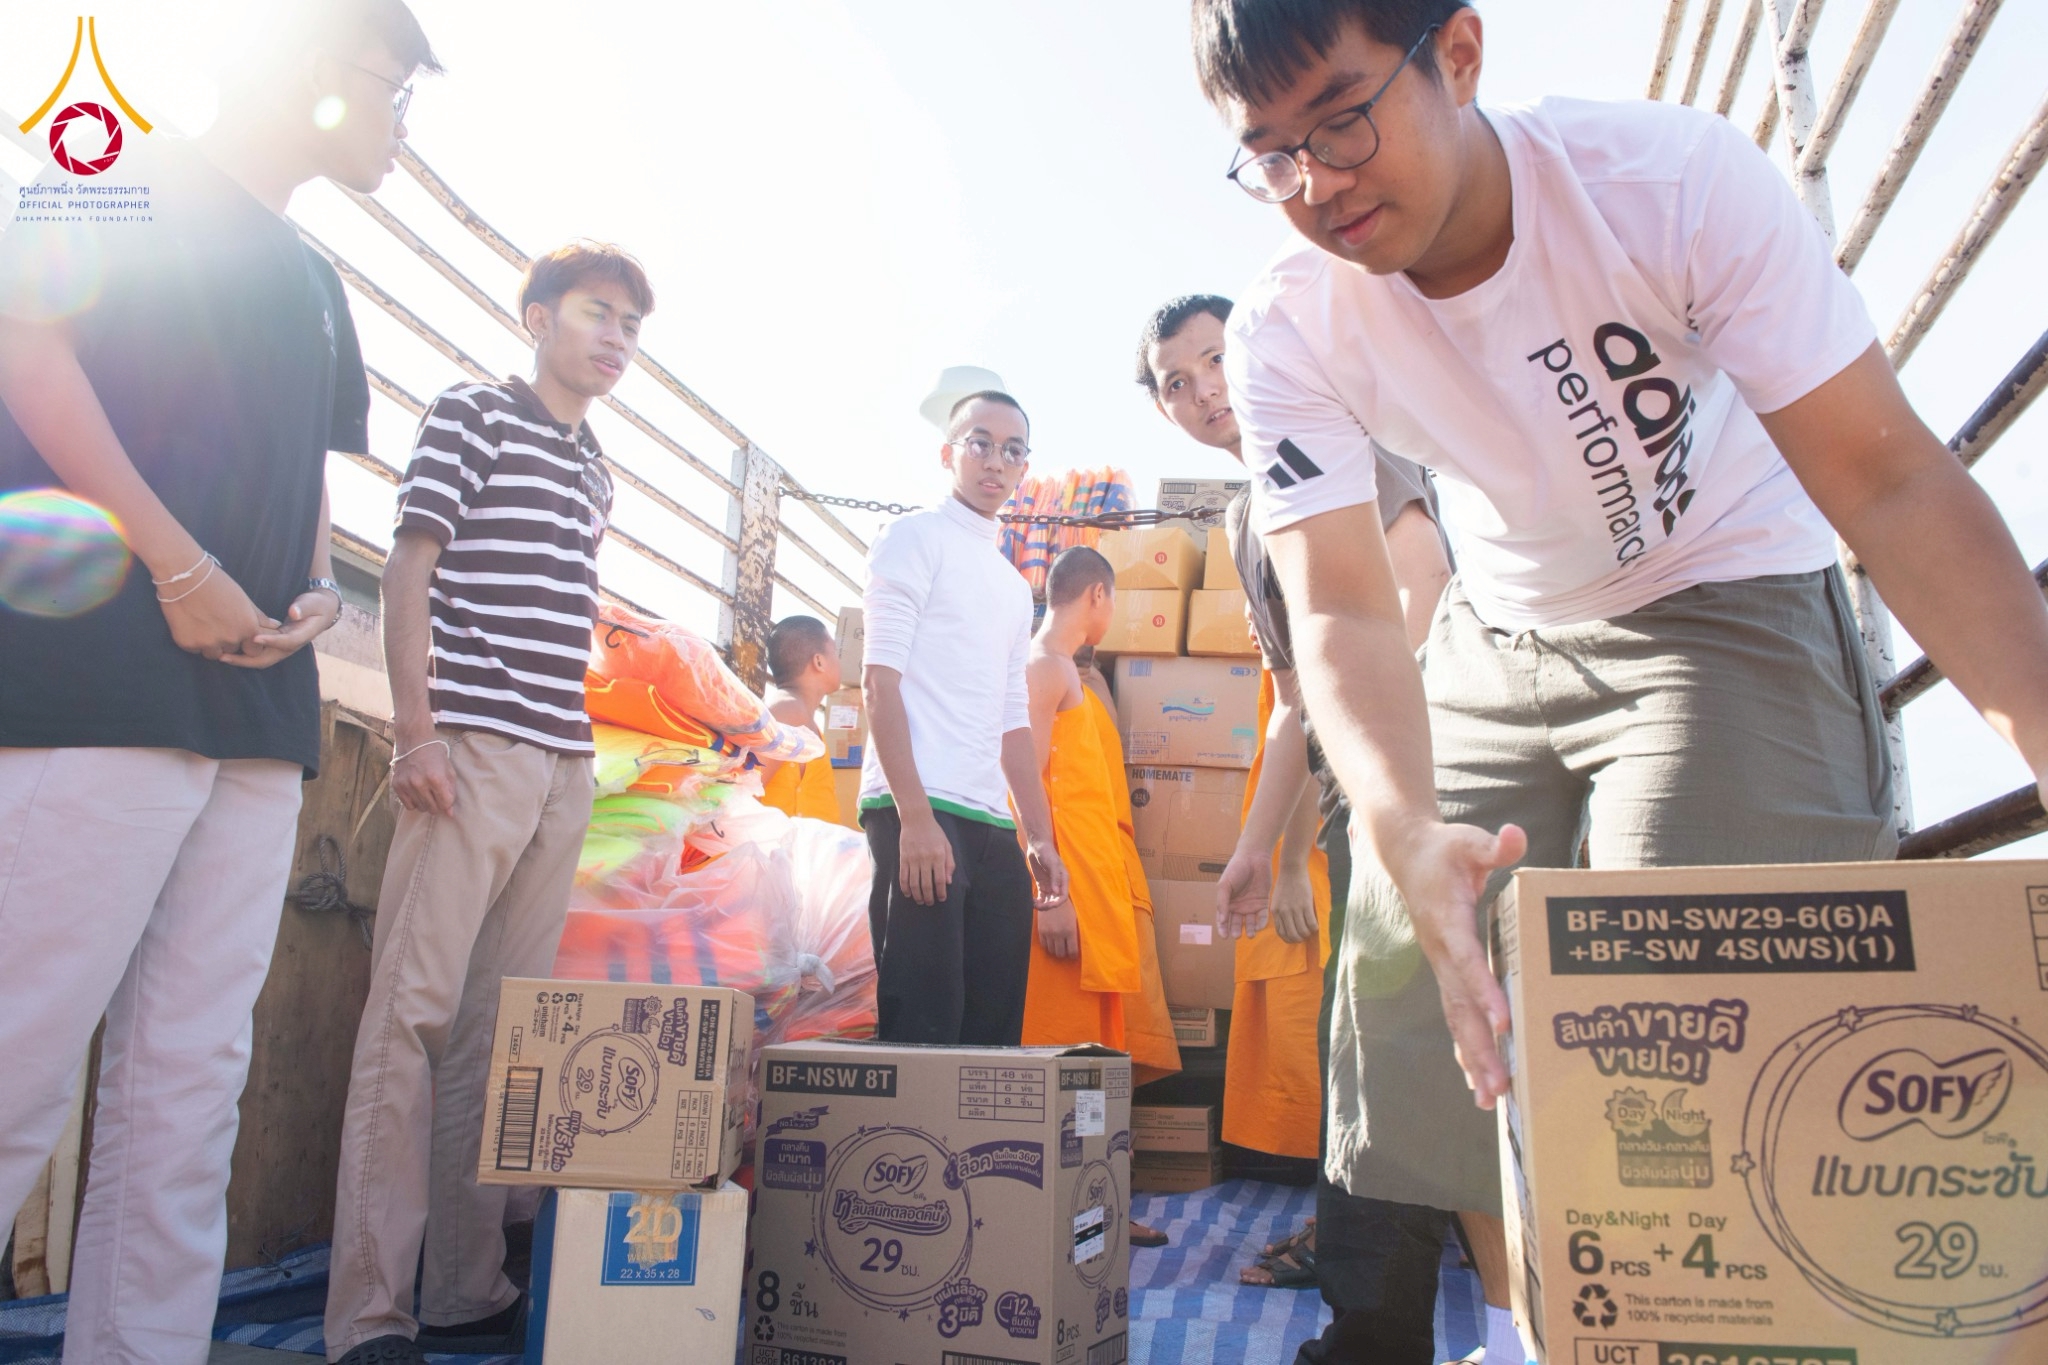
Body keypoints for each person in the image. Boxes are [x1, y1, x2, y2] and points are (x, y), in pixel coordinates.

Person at [1191, 2, 2048, 1359]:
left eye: (1345, 116)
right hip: (1500, 625)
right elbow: (1346, 606)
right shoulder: (1287, 324)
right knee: (1414, 974)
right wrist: (1403, 825)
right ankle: (1537, 1327)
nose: (1319, 184)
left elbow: (1887, 480)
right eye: (1272, 152)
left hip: (1725, 595)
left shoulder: (1667, 187)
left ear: (1458, 56)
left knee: (1694, 1005)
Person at [0, 5, 436, 1360]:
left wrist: (306, 593)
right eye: (391, 86)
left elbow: (305, 470)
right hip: (97, 672)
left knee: (188, 1093)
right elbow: (25, 345)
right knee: (19, 1048)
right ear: (312, 70)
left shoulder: (317, 279)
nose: (399, 122)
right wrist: (176, 562)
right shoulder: (104, 163)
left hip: (255, 709)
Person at [1142, 292, 1499, 1359]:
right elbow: (1302, 699)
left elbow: (1420, 580)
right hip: (1360, 794)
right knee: (1378, 1049)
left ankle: (1439, 1324)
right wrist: (1259, 844)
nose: (1203, 388)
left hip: (1434, 770)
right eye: (1175, 381)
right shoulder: (1247, 516)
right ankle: (1387, 1321)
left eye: (1213, 359)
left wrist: (1405, 779)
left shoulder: (1334, 431)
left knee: (1422, 1046)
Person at [322, 241, 651, 1365]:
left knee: (495, 1035)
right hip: (468, 743)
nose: (614, 340)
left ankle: (463, 1286)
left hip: (563, 764)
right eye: (597, 314)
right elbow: (410, 569)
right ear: (538, 315)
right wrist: (415, 733)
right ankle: (368, 1312)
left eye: (630, 327)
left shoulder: (595, 468)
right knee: (408, 1016)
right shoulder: (472, 413)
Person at [859, 390, 1067, 1044]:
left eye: (1012, 450)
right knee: (924, 1023)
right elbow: (877, 681)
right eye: (980, 443)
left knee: (993, 1031)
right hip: (918, 811)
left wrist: (1039, 837)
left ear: (1024, 469)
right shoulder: (912, 538)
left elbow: (1013, 723)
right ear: (948, 453)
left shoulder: (1011, 588)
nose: (995, 462)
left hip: (989, 823)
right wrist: (915, 818)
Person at [1021, 548, 1181, 1248]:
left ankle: (1099, 1207)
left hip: (1093, 897)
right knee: (1066, 1067)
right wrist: (1047, 892)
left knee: (1096, 1071)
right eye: (1112, 604)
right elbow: (1022, 779)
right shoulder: (1042, 667)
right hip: (1064, 904)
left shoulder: (1067, 671)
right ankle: (1056, 1217)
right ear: (1095, 596)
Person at [757, 614, 852, 826]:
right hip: (776, 854)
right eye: (835, 653)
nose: (840, 661)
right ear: (819, 661)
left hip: (806, 854)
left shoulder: (798, 714)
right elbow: (745, 789)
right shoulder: (787, 711)